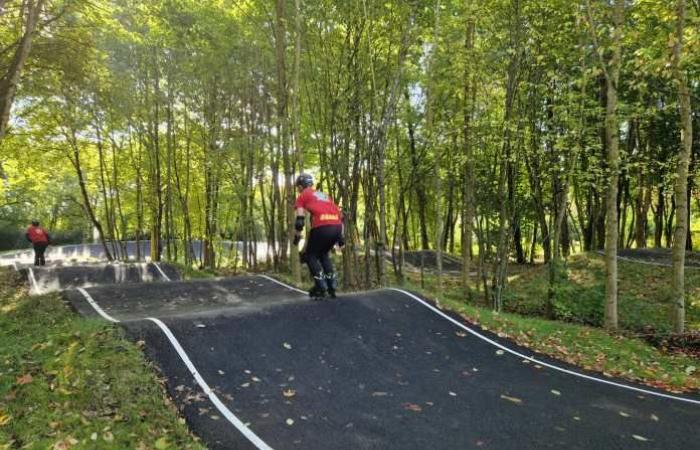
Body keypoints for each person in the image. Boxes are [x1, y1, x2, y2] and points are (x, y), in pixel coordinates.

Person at [292, 173, 345, 299]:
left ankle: (321, 287)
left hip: (322, 226)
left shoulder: (303, 195)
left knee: (310, 255)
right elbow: (340, 216)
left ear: (300, 186)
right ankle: (331, 286)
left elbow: (300, 219)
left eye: (297, 187)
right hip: (337, 227)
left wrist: (297, 236)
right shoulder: (324, 195)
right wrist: (341, 239)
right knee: (323, 255)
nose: (298, 189)